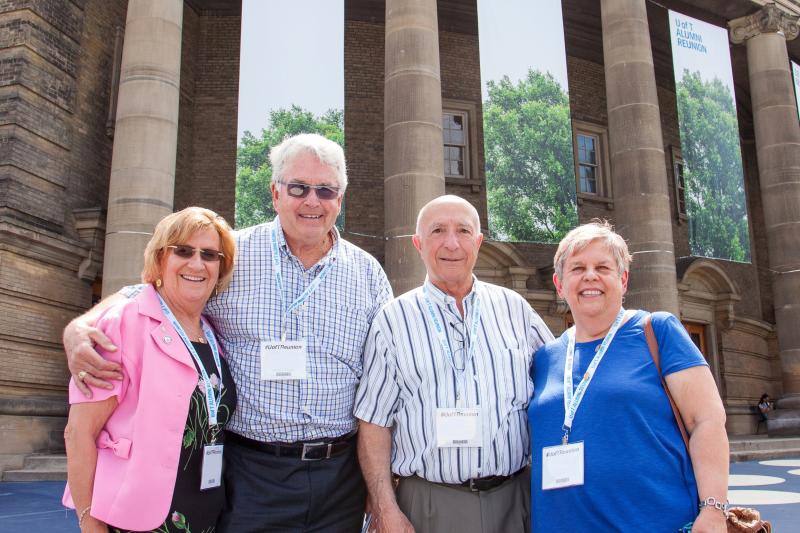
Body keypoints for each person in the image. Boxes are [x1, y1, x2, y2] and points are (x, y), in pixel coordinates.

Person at [63, 134, 393, 532]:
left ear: (340, 199)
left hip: (340, 476)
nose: (312, 201)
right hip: (250, 473)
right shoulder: (230, 254)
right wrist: (80, 326)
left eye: (326, 190)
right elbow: (153, 292)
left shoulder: (368, 273)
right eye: (298, 188)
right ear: (275, 193)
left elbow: (386, 373)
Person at [354, 195, 554, 533]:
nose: (452, 243)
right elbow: (374, 422)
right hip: (428, 505)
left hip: (513, 501)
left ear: (478, 242)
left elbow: (561, 382)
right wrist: (384, 507)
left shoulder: (515, 309)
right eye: (437, 231)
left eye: (463, 231)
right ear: (418, 243)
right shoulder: (393, 320)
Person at [528, 221, 729, 533]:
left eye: (602, 267)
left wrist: (714, 509)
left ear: (622, 280)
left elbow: (707, 421)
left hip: (654, 523)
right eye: (578, 268)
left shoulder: (657, 331)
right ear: (559, 283)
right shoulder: (545, 358)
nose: (590, 276)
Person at [63, 207, 238, 532]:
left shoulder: (212, 333)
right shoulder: (122, 322)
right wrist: (90, 524)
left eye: (209, 255)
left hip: (206, 515)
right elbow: (79, 433)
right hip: (136, 520)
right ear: (160, 260)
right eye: (183, 251)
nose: (197, 263)